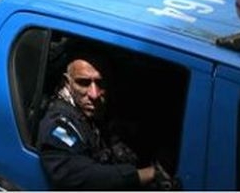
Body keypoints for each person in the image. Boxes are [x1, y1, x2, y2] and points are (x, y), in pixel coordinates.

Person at [38, 50, 159, 190]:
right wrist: (144, 175)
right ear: (67, 83)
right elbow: (73, 175)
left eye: (100, 83)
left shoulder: (98, 109)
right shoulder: (57, 124)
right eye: (83, 83)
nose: (94, 94)